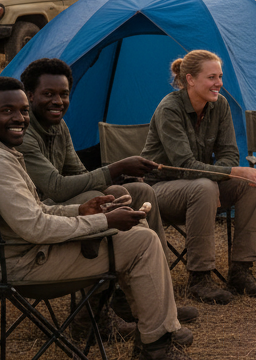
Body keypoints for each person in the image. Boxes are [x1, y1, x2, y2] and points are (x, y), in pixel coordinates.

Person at [0, 77, 212, 360]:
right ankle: (157, 353)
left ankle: (151, 328)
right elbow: (35, 227)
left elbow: (30, 212)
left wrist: (81, 210)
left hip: (7, 256)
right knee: (143, 241)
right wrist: (103, 222)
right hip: (22, 263)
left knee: (131, 229)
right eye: (7, 111)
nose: (19, 118)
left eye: (22, 111)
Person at [18, 57, 199, 331]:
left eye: (64, 94)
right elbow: (54, 186)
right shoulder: (25, 132)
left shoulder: (59, 127)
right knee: (113, 193)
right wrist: (114, 169)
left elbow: (76, 172)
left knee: (139, 190)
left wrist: (123, 174)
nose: (58, 101)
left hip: (64, 203)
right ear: (30, 96)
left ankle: (152, 294)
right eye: (48, 94)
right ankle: (92, 315)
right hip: (45, 211)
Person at [141, 50, 256, 304]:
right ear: (190, 79)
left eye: (220, 76)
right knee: (204, 186)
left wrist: (227, 173)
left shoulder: (219, 105)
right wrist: (226, 174)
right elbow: (184, 166)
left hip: (203, 188)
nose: (219, 83)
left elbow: (229, 154)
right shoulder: (170, 108)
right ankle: (200, 278)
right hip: (159, 191)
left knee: (252, 182)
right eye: (212, 77)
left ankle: (241, 270)